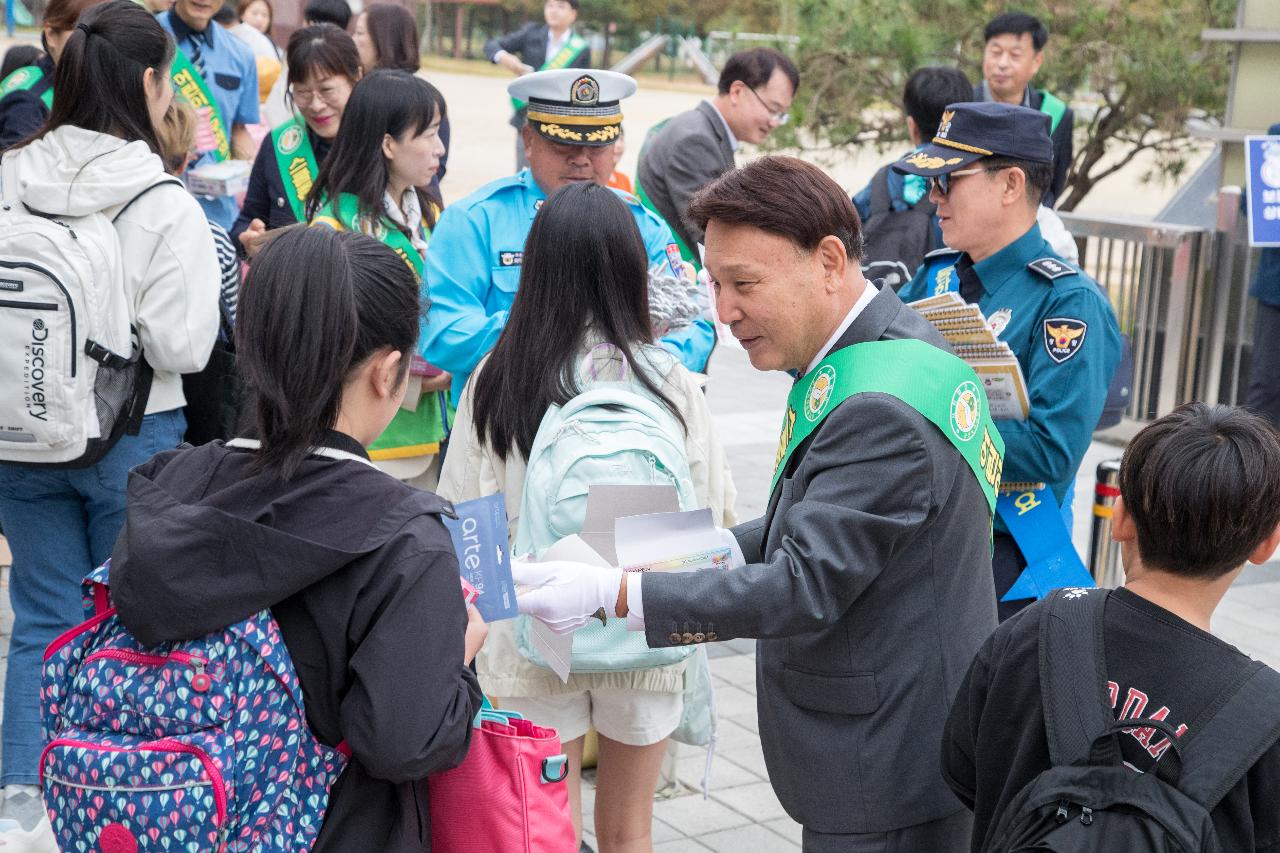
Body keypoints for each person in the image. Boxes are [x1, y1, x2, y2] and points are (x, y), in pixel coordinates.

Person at [514, 156, 1002, 851]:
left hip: (887, 767)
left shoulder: (878, 406)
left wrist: (620, 593)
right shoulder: (885, 346)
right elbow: (801, 524)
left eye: (744, 283)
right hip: (896, 739)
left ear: (829, 261)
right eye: (713, 282)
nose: (723, 311)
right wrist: (642, 549)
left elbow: (803, 581)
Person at [110, 224, 487, 852]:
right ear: (387, 371)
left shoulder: (168, 485)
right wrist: (462, 661)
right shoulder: (402, 541)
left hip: (169, 824)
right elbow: (403, 743)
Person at [439, 181, 735, 853]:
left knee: (545, 825)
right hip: (644, 623)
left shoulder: (498, 377)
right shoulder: (669, 378)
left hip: (535, 635)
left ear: (537, 268)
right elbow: (716, 510)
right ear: (632, 269)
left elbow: (468, 518)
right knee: (631, 829)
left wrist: (488, 630)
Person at [0, 2, 219, 846]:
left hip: (19, 434)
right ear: (152, 84)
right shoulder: (160, 199)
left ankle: (25, 799)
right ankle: (117, 787)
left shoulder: (13, 171)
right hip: (132, 438)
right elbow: (183, 343)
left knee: (43, 612)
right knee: (131, 621)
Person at [942, 402, 1280, 852]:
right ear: (1266, 544)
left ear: (1119, 517)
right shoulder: (1265, 721)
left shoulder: (1036, 630)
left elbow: (962, 768)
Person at [896, 102, 1121, 621]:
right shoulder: (937, 278)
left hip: (1001, 560)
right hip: (916, 539)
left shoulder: (1066, 303)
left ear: (1011, 184)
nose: (934, 197)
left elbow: (1048, 452)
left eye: (949, 180)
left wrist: (923, 422)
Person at [424, 68, 715, 401]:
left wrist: (652, 362)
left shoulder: (642, 225)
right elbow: (442, 333)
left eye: (596, 146)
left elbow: (693, 323)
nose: (581, 160)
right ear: (529, 141)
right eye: (564, 144)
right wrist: (560, 330)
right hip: (506, 428)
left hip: (620, 421)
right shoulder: (476, 221)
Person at [306, 69, 451, 482]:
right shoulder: (334, 230)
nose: (439, 149)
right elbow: (328, 348)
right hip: (366, 443)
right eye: (429, 134)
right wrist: (417, 381)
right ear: (388, 144)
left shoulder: (430, 216)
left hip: (432, 431)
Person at [636, 48, 798, 268]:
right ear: (737, 91)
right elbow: (713, 233)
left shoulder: (701, 128)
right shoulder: (696, 141)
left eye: (781, 115)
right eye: (772, 109)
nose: (774, 122)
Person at [232, 23, 359, 257]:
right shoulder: (280, 145)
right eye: (302, 92)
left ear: (356, 78)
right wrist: (246, 239)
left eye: (327, 90)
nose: (316, 105)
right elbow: (247, 220)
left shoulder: (379, 145)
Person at [852, 66, 972, 288]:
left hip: (885, 308)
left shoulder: (882, 180)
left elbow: (846, 227)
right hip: (947, 304)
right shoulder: (971, 179)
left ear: (911, 126)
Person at [159, 0, 260, 229]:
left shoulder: (241, 54)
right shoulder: (145, 38)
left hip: (220, 214)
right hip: (160, 202)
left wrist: (248, 168)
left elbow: (239, 130)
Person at [975, 11, 1074, 207]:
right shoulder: (959, 106)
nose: (1002, 64)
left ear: (1036, 62)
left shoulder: (1055, 115)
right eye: (995, 52)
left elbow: (1053, 187)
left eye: (1015, 55)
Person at [352, 3, 449, 191]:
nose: (352, 40)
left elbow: (439, 167)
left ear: (383, 39)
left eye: (359, 33)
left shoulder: (422, 101)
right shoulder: (357, 89)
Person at [483, 0, 590, 170]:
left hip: (562, 124)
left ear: (573, 14)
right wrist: (504, 57)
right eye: (550, 5)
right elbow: (491, 45)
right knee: (524, 175)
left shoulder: (580, 48)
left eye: (561, 6)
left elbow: (582, 90)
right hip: (527, 119)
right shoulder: (531, 33)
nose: (554, 11)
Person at [0, 0, 107, 147]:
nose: (97, 43)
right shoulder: (29, 101)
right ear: (50, 34)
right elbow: (18, 165)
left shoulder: (86, 80)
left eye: (104, 33)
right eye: (83, 32)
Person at [1246, 121, 1280, 426]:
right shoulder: (1276, 138)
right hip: (1276, 292)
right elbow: (1252, 202)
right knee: (1266, 386)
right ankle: (1259, 466)